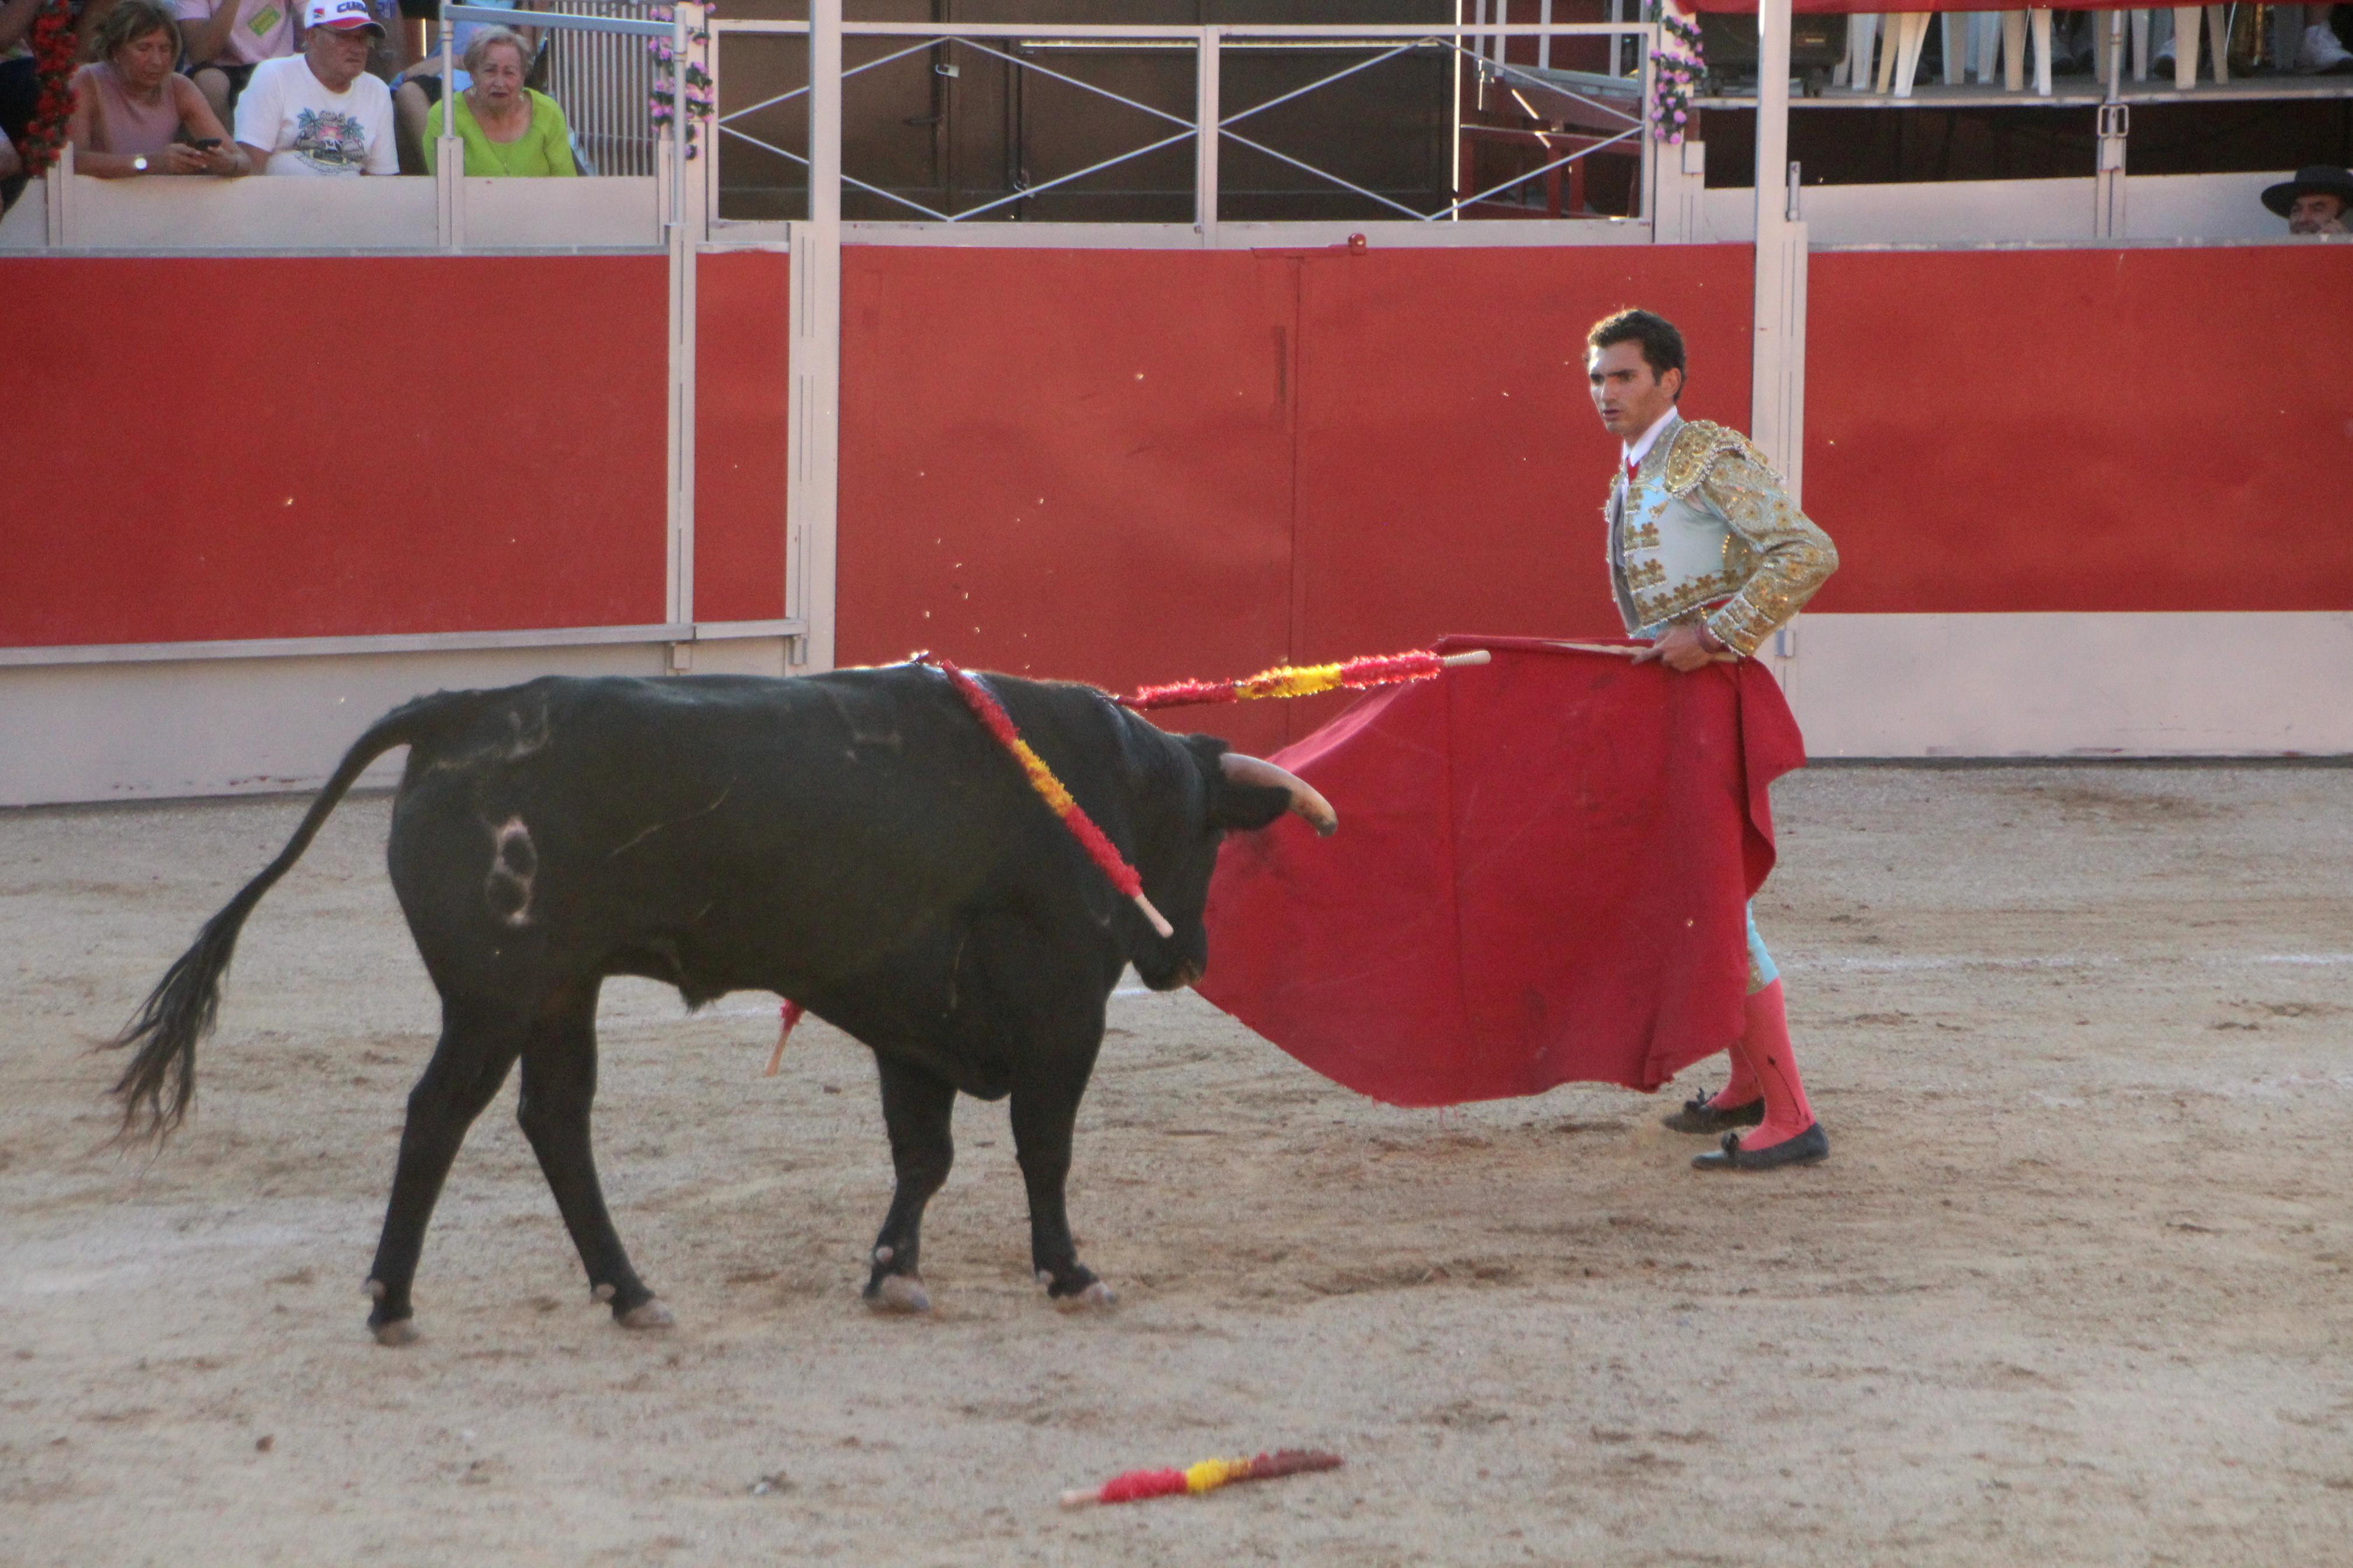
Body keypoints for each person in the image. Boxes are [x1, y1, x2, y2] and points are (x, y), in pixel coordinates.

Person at [1584, 307, 1840, 1172]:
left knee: (1714, 899)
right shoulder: (1636, 466)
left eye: (1622, 375)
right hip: (1669, 697)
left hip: (1702, 694)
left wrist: (1719, 635)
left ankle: (1792, 1112)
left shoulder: (1700, 456)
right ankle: (1747, 1081)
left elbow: (1806, 552)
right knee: (1707, 887)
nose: (1604, 392)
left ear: (1669, 380)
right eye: (1596, 377)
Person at [68, 0, 249, 177]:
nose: (156, 61)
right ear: (116, 49)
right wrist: (150, 163)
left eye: (164, 49)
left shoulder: (179, 88)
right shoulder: (87, 82)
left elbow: (243, 161)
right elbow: (73, 161)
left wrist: (228, 164)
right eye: (143, 48)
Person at [232, 0, 395, 176]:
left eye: (362, 39)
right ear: (311, 36)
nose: (357, 49)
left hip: (351, 202)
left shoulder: (378, 91)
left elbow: (383, 181)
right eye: (344, 36)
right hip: (282, 201)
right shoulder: (273, 76)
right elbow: (251, 171)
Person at [418, 24, 571, 176]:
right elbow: (445, 191)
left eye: (509, 73)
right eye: (490, 71)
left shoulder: (548, 113)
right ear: (473, 74)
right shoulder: (445, 117)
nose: (499, 83)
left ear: (523, 77)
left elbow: (568, 186)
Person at [174, 0, 294, 123]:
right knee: (209, 82)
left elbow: (312, 21)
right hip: (219, 69)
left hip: (276, 63)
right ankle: (224, 143)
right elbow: (200, 55)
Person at [2262, 163, 2353, 234]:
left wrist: (2343, 247)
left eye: (2317, 209)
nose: (2303, 219)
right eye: (2296, 210)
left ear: (2346, 218)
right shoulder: (2273, 258)